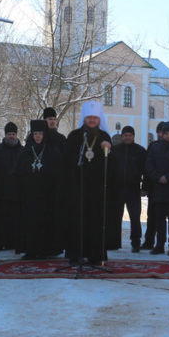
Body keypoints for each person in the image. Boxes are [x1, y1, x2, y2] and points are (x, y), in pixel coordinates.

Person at [63, 101, 112, 265]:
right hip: (78, 186)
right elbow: (68, 161)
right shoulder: (74, 136)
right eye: (89, 117)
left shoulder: (104, 137)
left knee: (95, 220)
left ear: (99, 120)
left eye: (95, 118)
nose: (92, 120)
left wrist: (108, 151)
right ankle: (76, 254)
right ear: (84, 118)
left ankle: (95, 255)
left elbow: (111, 164)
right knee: (77, 219)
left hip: (97, 187)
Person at [15, 119, 64, 259]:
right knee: (30, 222)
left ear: (44, 135)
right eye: (35, 133)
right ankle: (30, 250)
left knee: (47, 221)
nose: (38, 136)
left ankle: (47, 249)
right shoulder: (25, 152)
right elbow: (18, 172)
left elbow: (58, 173)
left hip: (47, 195)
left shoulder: (52, 151)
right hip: (29, 196)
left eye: (40, 134)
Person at [145, 121, 169, 256]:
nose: (168, 136)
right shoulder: (155, 148)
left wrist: (168, 177)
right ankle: (159, 245)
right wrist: (158, 177)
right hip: (159, 188)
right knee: (159, 219)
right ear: (162, 134)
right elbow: (149, 165)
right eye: (165, 133)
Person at [107, 125, 147, 253]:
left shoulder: (140, 151)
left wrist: (144, 187)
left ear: (133, 136)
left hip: (133, 188)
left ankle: (136, 242)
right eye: (125, 135)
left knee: (135, 216)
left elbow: (146, 171)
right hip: (116, 188)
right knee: (114, 216)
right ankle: (113, 242)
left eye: (130, 135)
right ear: (122, 136)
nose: (127, 137)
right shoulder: (115, 150)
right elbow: (109, 170)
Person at [0, 122, 24, 251]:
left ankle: (15, 242)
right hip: (2, 192)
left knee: (16, 220)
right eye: (9, 134)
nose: (11, 136)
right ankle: (3, 242)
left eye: (13, 134)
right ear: (5, 135)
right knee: (3, 219)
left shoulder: (22, 150)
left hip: (17, 192)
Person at [139, 122, 167, 250]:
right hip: (154, 186)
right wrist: (145, 186)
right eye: (159, 132)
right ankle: (149, 240)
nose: (160, 134)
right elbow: (147, 167)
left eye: (163, 132)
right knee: (152, 215)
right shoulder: (153, 146)